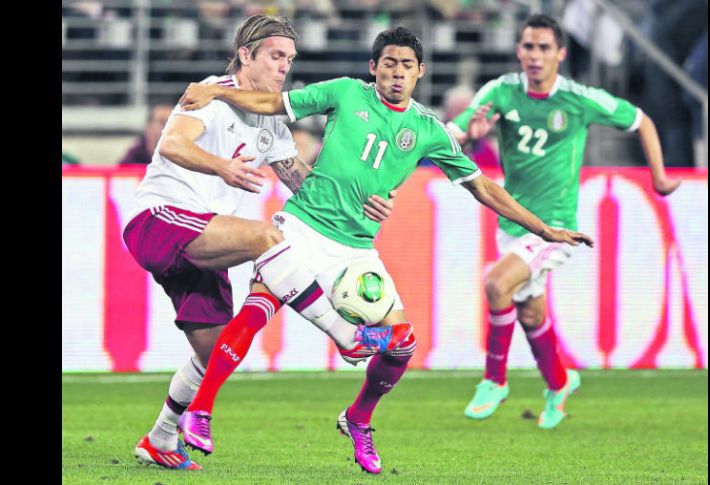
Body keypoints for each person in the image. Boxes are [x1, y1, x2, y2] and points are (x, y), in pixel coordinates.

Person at [178, 25, 593, 474]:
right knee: (256, 310)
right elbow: (270, 103)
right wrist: (214, 94)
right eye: (389, 64)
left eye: (407, 66)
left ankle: (358, 418)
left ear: (420, 73)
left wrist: (543, 229)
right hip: (302, 226)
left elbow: (485, 189)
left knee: (402, 344)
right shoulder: (343, 93)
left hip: (356, 250)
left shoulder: (428, 131)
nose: (397, 73)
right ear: (373, 67)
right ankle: (200, 411)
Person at [125, 15, 403, 472]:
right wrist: (221, 167)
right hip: (159, 219)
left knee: (214, 353)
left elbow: (302, 183)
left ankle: (160, 437)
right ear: (245, 54)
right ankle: (346, 335)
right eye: (276, 56)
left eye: (290, 60)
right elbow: (172, 144)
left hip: (204, 232)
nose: (284, 68)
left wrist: (360, 205)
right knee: (265, 235)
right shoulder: (210, 95)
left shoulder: (270, 119)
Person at [447, 13, 681, 428]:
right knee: (531, 315)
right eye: (528, 47)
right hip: (513, 224)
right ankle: (558, 383)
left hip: (554, 226)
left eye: (544, 48)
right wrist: (471, 134)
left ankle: (494, 380)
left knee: (496, 284)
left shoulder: (578, 98)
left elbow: (640, 120)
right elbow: (453, 131)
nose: (535, 56)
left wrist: (659, 177)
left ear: (561, 53)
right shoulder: (502, 91)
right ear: (518, 50)